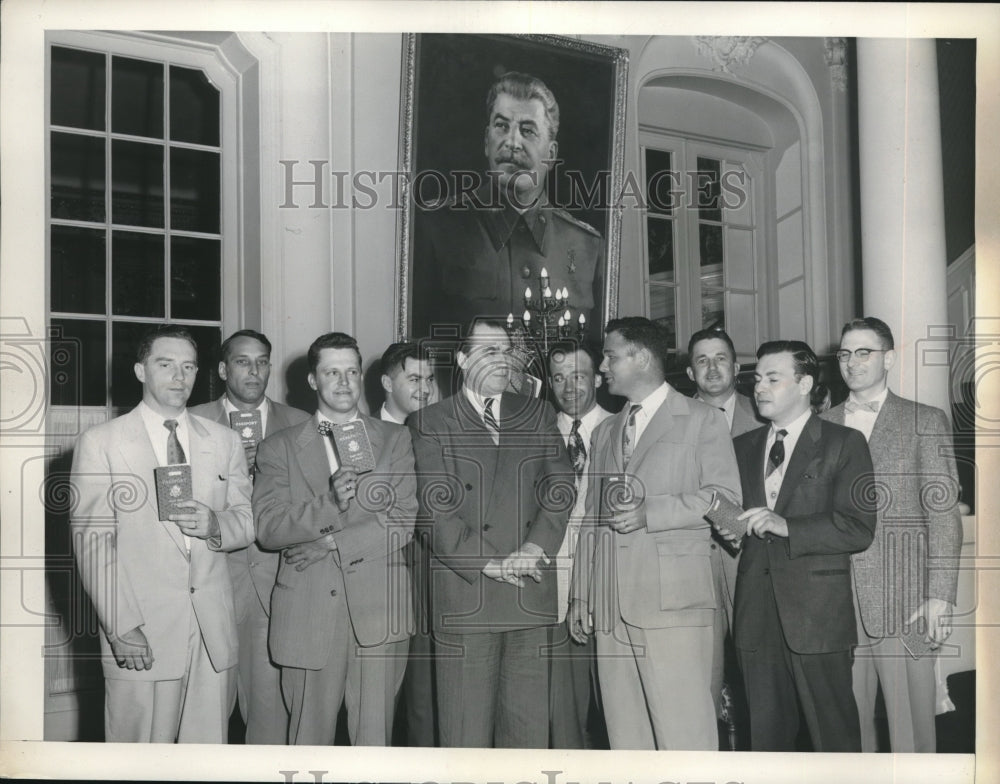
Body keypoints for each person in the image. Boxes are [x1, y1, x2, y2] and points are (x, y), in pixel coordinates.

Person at [70, 324, 254, 743]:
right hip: (143, 630)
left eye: (188, 367)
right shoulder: (102, 443)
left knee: (206, 762)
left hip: (212, 633)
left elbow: (246, 519)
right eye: (166, 364)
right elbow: (93, 542)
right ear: (140, 371)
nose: (179, 377)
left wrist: (215, 525)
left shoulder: (224, 442)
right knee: (138, 760)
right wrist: (121, 626)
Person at [569, 317, 742, 750]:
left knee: (685, 740)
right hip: (611, 611)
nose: (602, 366)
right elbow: (592, 516)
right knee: (628, 744)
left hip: (674, 606)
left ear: (641, 357)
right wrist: (582, 594)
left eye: (610, 355)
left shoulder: (702, 420)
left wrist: (653, 512)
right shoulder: (607, 430)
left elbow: (728, 507)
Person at [408, 319, 573, 747]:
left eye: (505, 351)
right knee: (465, 742)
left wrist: (535, 547)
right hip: (468, 595)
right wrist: (492, 563)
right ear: (462, 360)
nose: (502, 360)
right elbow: (434, 510)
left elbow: (560, 487)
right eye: (488, 351)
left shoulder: (537, 412)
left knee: (527, 739)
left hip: (529, 592)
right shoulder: (429, 422)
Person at [253, 332, 417, 746]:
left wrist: (331, 543)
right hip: (307, 612)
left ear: (362, 376)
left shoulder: (395, 439)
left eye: (351, 372)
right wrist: (328, 503)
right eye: (331, 372)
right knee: (308, 743)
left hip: (379, 611)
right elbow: (269, 528)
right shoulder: (279, 448)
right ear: (312, 380)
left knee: (374, 745)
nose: (343, 382)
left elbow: (403, 519)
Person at [723, 340, 876, 752]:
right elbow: (735, 520)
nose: (760, 388)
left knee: (834, 741)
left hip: (818, 620)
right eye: (757, 379)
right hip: (756, 617)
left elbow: (858, 528)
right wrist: (726, 527)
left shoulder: (844, 443)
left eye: (773, 378)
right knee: (766, 744)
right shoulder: (741, 447)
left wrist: (786, 525)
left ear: (805, 383)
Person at [822, 317, 962, 752]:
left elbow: (943, 515)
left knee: (912, 730)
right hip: (834, 598)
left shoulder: (925, 420)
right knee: (846, 727)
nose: (851, 362)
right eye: (845, 353)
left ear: (889, 358)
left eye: (863, 352)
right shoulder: (819, 425)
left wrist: (940, 594)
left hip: (906, 596)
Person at [412, 71, 604, 340]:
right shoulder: (436, 227)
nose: (512, 142)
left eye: (527, 131)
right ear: (486, 142)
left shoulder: (586, 245)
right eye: (501, 126)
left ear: (551, 154)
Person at [189, 329, 310, 744]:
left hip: (276, 583)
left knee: (270, 716)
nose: (254, 370)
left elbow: (314, 502)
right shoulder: (194, 422)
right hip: (213, 582)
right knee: (205, 717)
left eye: (261, 361)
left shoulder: (301, 424)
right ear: (223, 369)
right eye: (243, 361)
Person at [685, 327, 764, 742]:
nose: (712, 367)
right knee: (702, 674)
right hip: (695, 560)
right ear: (689, 371)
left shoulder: (766, 413)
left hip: (754, 559)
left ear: (737, 366)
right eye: (702, 359)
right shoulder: (675, 421)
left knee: (758, 667)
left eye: (720, 358)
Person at [545, 339, 611, 748]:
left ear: (599, 379)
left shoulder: (621, 429)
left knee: (614, 711)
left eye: (579, 376)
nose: (569, 387)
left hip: (609, 587)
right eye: (559, 378)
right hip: (550, 591)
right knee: (563, 712)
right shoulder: (533, 432)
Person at [377, 340, 438, 746]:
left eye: (431, 379)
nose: (425, 388)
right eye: (414, 378)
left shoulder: (442, 433)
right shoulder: (361, 434)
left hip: (431, 578)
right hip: (378, 580)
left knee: (424, 693)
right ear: (386, 382)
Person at [378, 341, 437, 425]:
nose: (426, 389)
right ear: (388, 384)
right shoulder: (364, 433)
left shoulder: (441, 430)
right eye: (415, 380)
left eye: (429, 380)